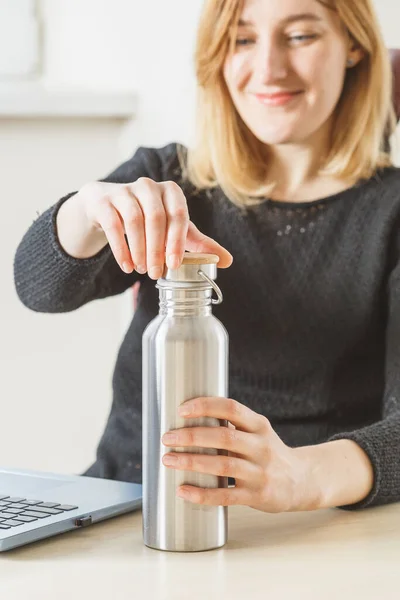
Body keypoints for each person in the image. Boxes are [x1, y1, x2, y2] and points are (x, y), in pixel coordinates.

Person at [13, 0, 400, 514]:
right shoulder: (169, 175)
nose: (268, 69)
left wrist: (305, 475)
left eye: (301, 37)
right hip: (129, 507)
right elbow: (39, 290)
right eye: (242, 40)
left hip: (305, 528)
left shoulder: (390, 216)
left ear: (354, 45)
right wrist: (85, 212)